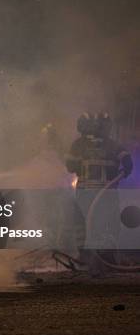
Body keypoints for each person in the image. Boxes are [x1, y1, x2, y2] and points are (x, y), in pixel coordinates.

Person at [65, 112, 133, 269]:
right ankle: (106, 257)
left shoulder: (78, 145)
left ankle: (86, 256)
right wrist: (124, 169)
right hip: (107, 194)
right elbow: (128, 163)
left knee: (83, 224)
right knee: (109, 224)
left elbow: (70, 167)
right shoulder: (113, 145)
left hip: (85, 193)